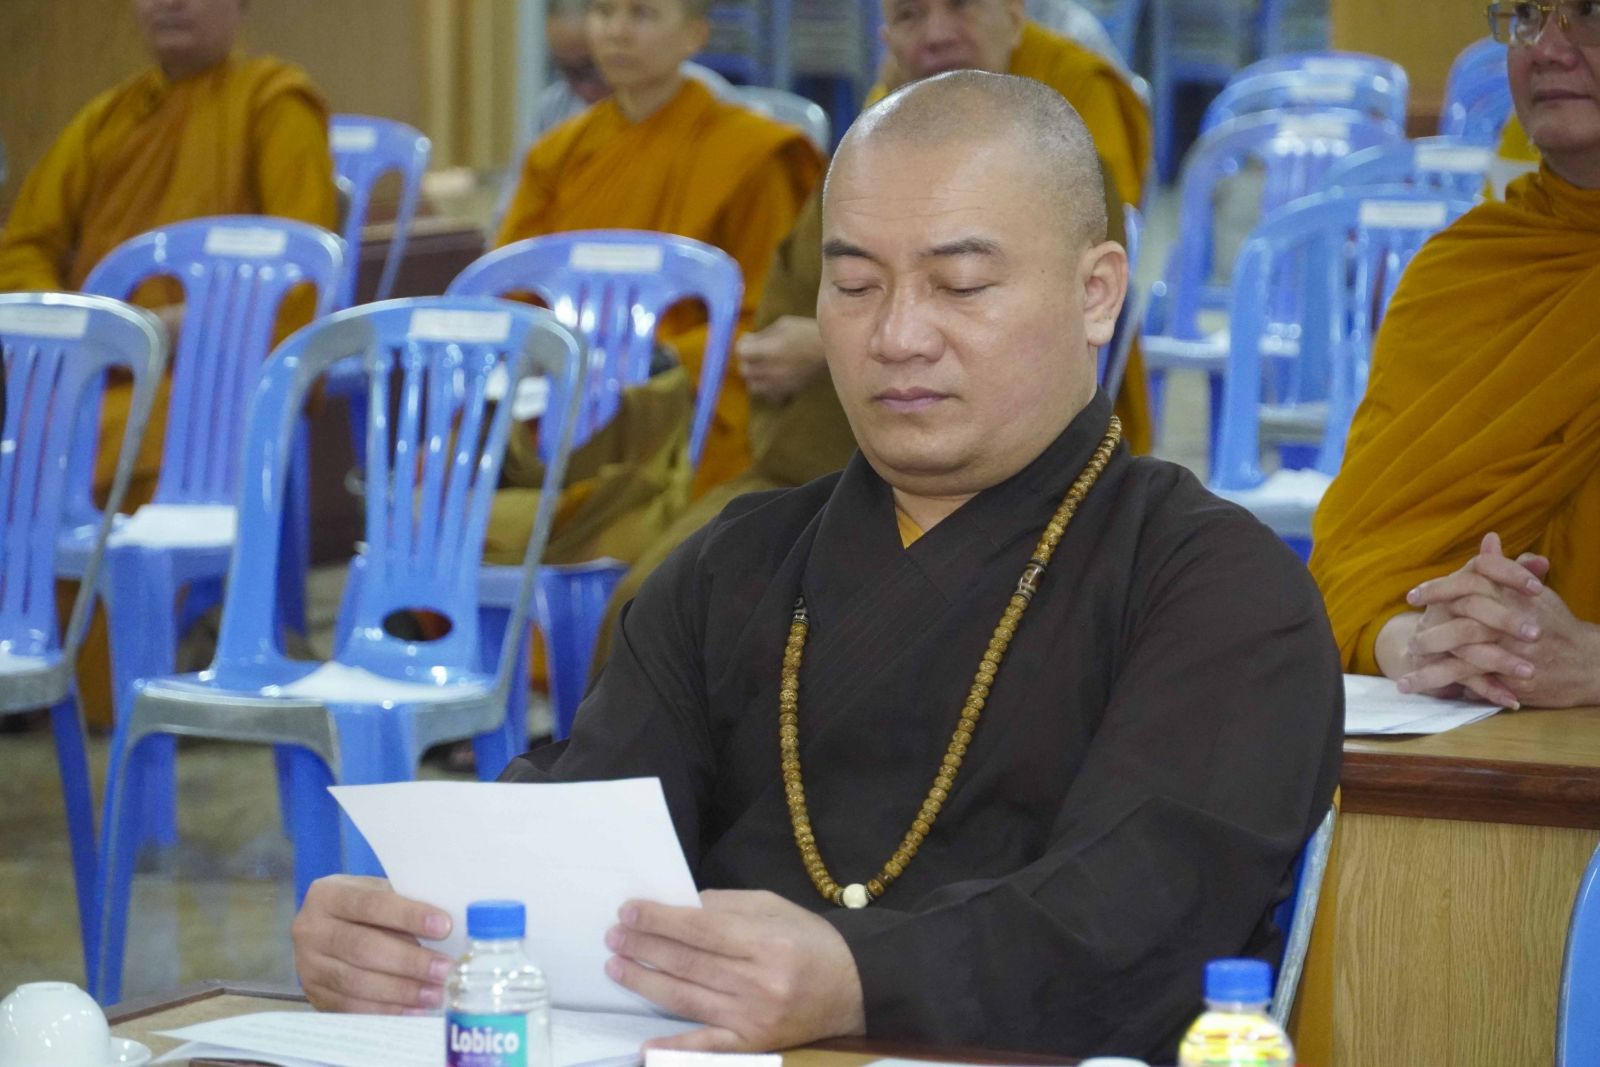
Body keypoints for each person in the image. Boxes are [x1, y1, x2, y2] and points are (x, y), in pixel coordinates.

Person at [291, 71, 1342, 1062]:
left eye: (961, 283)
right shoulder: (730, 567)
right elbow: (586, 829)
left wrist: (856, 977)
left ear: (1097, 293)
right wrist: (413, 923)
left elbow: (1141, 919)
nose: (898, 335)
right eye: (854, 284)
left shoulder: (1216, 588)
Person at [591, 0, 1153, 643]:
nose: (937, 34)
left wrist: (823, 350)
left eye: (962, 285)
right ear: (885, 38)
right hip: (822, 463)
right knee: (657, 602)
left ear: (1012, 13)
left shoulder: (1062, 142)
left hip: (1010, 482)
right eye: (910, 17)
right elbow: (776, 328)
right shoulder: (866, 157)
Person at [0, 0, 336, 724]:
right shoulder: (106, 120)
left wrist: (193, 327)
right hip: (96, 376)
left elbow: (303, 282)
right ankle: (32, 658)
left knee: (125, 439)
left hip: (213, 382)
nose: (171, 2)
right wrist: (91, 328)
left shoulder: (274, 105)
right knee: (36, 436)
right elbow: (23, 246)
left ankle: (125, 676)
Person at [1309, 0, 1600, 709]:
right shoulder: (1461, 274)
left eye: (1590, 12)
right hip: (1467, 737)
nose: (1547, 48)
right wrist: (1419, 641)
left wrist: (1591, 665)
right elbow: (1351, 564)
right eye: (1527, 14)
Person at [494, 0, 825, 510]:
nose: (617, 32)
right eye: (603, 12)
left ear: (695, 35)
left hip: (689, 406)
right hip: (560, 402)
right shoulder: (556, 156)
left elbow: (768, 319)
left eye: (642, 14)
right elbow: (509, 297)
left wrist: (657, 364)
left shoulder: (751, 155)